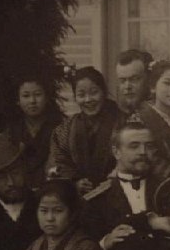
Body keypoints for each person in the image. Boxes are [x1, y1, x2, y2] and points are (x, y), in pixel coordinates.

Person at [80, 122, 163, 250]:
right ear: (116, 152)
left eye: (148, 146)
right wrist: (105, 242)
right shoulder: (97, 199)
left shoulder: (166, 190)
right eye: (134, 146)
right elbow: (83, 248)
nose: (143, 152)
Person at [47, 66, 121, 196]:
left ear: (104, 92)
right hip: (79, 197)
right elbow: (58, 162)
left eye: (94, 92)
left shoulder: (122, 123)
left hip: (118, 192)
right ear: (75, 97)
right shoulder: (65, 129)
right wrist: (75, 182)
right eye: (81, 95)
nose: (88, 99)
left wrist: (116, 177)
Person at [1, 75, 63, 190]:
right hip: (19, 189)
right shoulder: (11, 129)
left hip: (51, 188)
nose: (32, 101)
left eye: (38, 95)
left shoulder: (59, 126)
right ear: (18, 100)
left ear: (47, 98)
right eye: (26, 96)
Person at [116, 49, 154, 122]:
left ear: (149, 79)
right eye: (122, 80)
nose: (127, 86)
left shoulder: (158, 114)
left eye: (134, 79)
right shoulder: (118, 115)